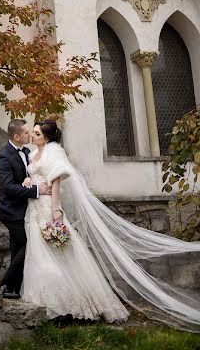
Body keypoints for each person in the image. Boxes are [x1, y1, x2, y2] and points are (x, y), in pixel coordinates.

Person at [21, 119, 200, 331]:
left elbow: (56, 180)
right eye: (32, 133)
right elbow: (32, 176)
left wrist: (56, 209)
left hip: (49, 207)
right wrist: (27, 181)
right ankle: (46, 303)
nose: (32, 136)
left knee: (63, 253)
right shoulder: (32, 155)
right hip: (34, 208)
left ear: (47, 137)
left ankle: (75, 305)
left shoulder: (54, 151)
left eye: (37, 134)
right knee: (40, 254)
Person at [0, 118, 52, 299]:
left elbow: (29, 174)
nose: (30, 135)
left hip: (27, 209)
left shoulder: (27, 151)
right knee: (28, 244)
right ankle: (5, 285)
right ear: (16, 136)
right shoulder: (3, 156)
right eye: (27, 133)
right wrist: (36, 190)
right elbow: (7, 187)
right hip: (11, 211)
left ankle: (13, 289)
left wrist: (29, 180)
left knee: (18, 247)